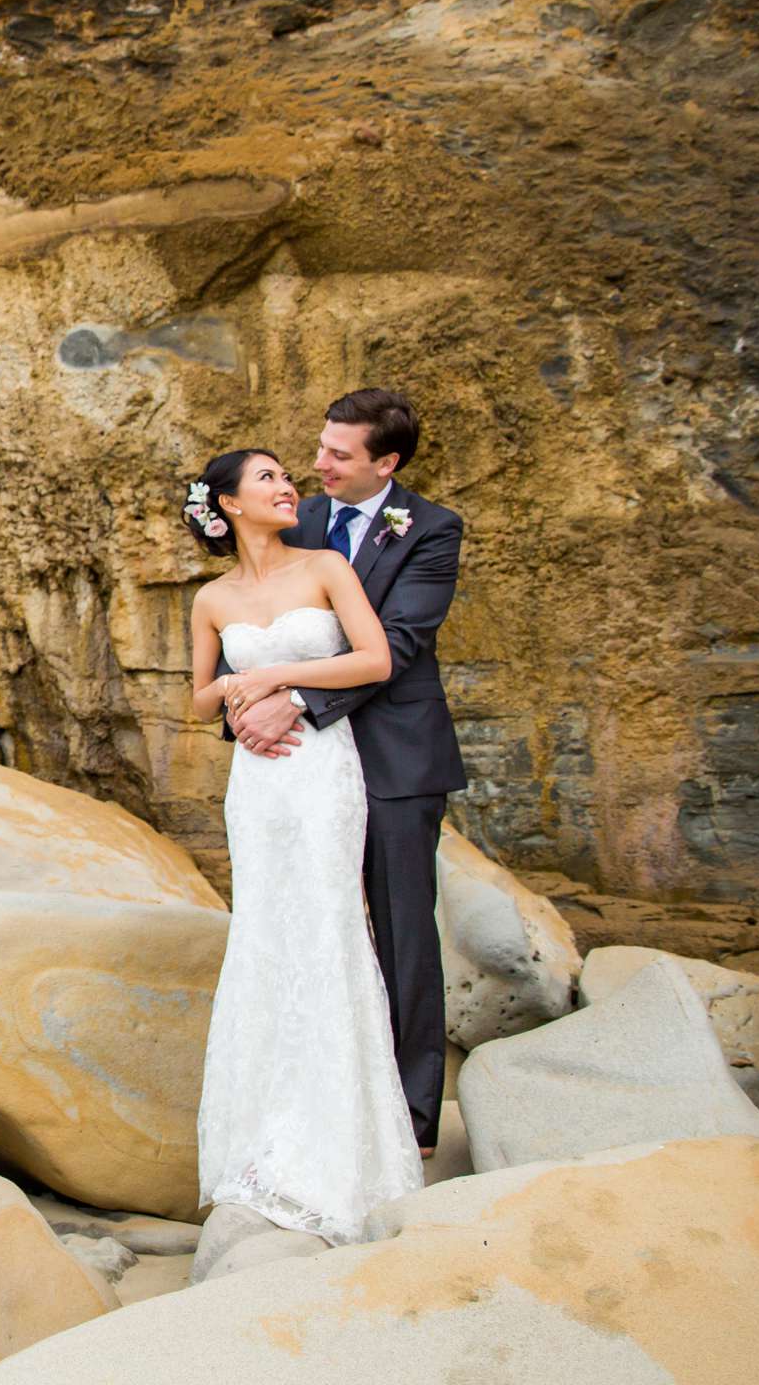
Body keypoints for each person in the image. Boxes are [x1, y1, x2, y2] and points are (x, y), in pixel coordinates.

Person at [184, 444, 422, 1242]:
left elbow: (375, 656)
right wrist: (236, 691)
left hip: (320, 768)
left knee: (327, 926)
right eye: (269, 480)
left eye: (289, 475)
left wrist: (280, 684)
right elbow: (197, 698)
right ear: (227, 507)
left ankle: (340, 1155)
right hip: (256, 784)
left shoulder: (325, 567)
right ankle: (261, 1142)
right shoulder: (211, 598)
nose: (289, 487)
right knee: (262, 932)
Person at [220, 388, 466, 1157]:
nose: (316, 464)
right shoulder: (305, 517)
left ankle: (414, 1121)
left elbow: (401, 642)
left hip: (394, 754)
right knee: (307, 923)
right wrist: (242, 698)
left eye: (338, 454)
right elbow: (249, 611)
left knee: (401, 932)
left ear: (385, 463)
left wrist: (294, 699)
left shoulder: (431, 530)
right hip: (302, 770)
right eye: (320, 446)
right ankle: (312, 1095)